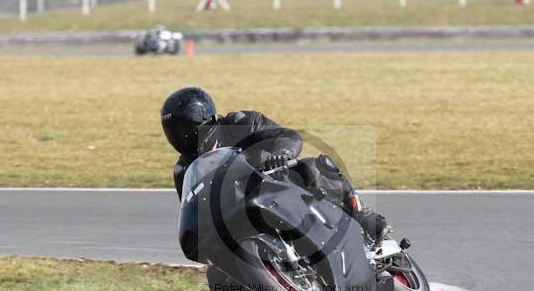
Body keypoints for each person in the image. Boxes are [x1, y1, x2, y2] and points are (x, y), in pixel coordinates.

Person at [161, 86, 390, 247]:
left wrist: (281, 153)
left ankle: (363, 217)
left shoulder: (240, 122)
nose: (180, 136)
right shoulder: (183, 170)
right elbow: (194, 210)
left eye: (184, 127)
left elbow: (285, 135)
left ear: (203, 119)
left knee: (313, 168)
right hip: (240, 214)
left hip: (276, 183)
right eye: (173, 130)